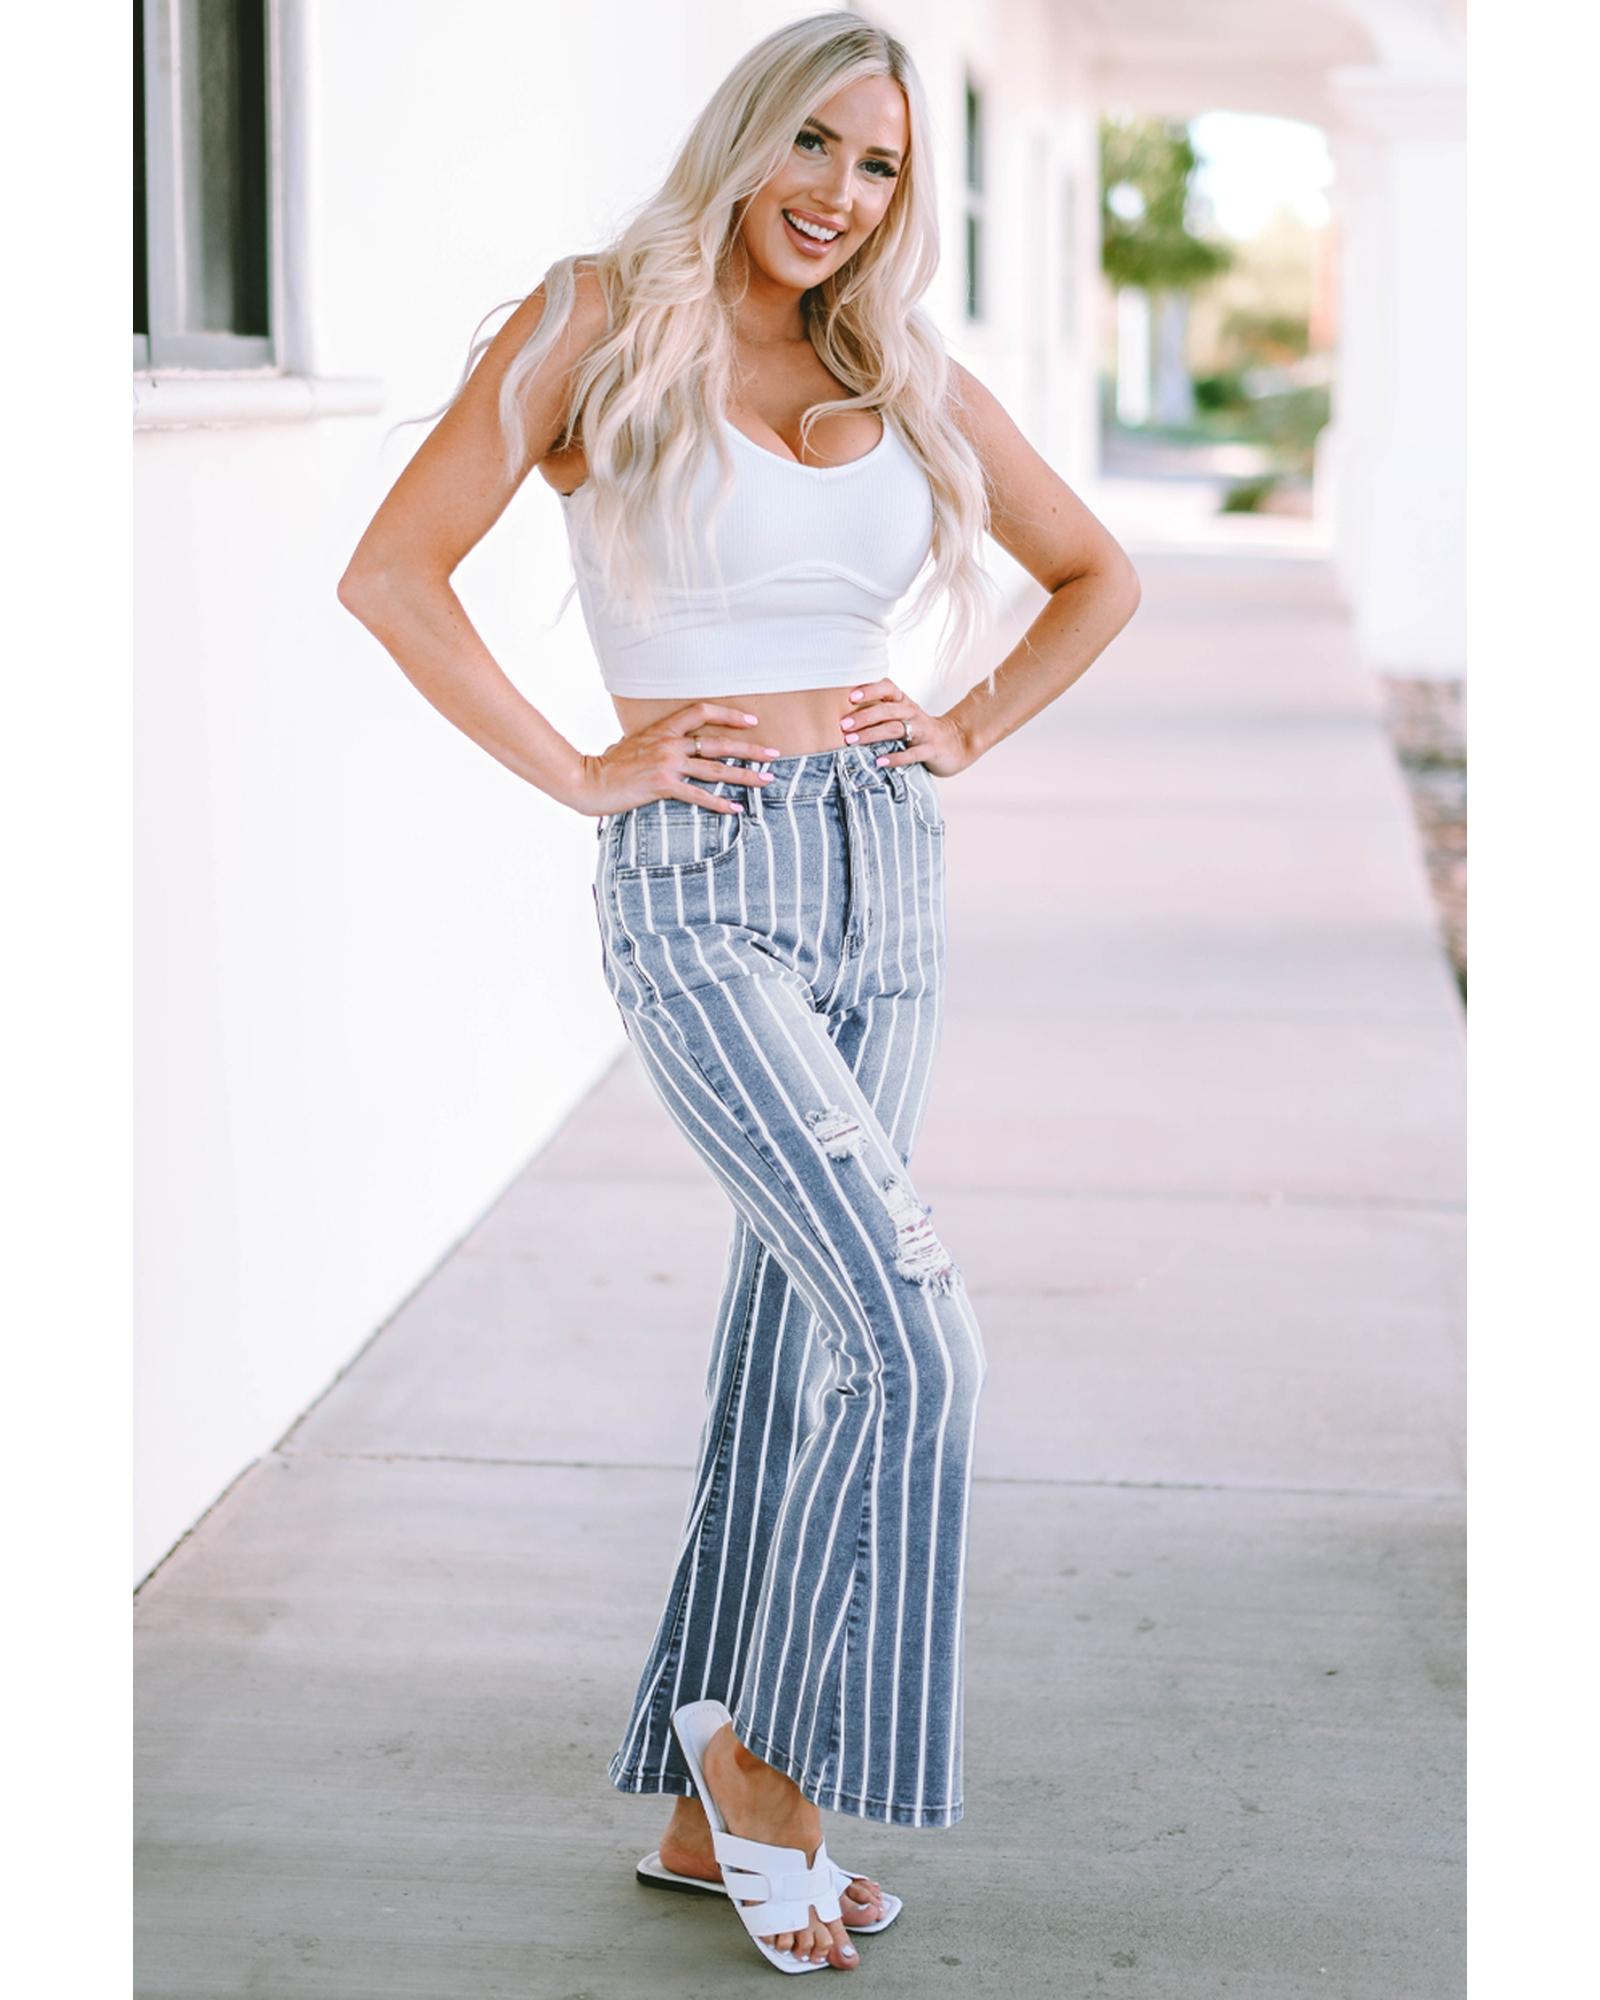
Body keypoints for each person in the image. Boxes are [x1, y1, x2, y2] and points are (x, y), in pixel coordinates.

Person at [338, 9, 1140, 1977]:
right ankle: (773, 1775)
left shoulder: (899, 367)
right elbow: (395, 574)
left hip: (887, 873)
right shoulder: (596, 318)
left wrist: (959, 727)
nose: (837, 194)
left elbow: (1095, 574)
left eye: (879, 167)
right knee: (917, 1335)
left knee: (800, 1340)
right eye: (812, 144)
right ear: (742, 135)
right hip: (702, 880)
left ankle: (707, 1821)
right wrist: (581, 767)